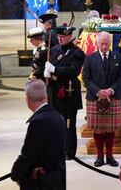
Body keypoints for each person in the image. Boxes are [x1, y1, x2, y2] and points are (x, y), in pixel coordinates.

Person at [11, 79, 66, 190]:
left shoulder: (39, 121)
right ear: (46, 96)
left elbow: (29, 154)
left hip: (42, 182)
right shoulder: (58, 116)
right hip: (56, 178)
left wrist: (15, 173)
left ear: (28, 100)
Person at [82, 31, 121, 167]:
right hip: (95, 98)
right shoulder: (90, 58)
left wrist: (110, 90)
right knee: (98, 129)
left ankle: (110, 156)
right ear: (97, 43)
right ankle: (100, 157)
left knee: (110, 129)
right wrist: (98, 91)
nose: (105, 46)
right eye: (102, 44)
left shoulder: (117, 57)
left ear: (110, 43)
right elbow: (86, 78)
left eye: (107, 44)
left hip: (113, 97)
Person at [44, 24, 86, 160]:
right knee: (55, 123)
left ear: (69, 36)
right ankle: (57, 148)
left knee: (68, 124)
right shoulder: (55, 49)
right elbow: (51, 65)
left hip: (69, 93)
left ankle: (69, 150)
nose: (60, 39)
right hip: (55, 93)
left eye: (62, 37)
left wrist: (54, 70)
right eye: (59, 37)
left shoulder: (77, 53)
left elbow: (73, 71)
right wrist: (47, 72)